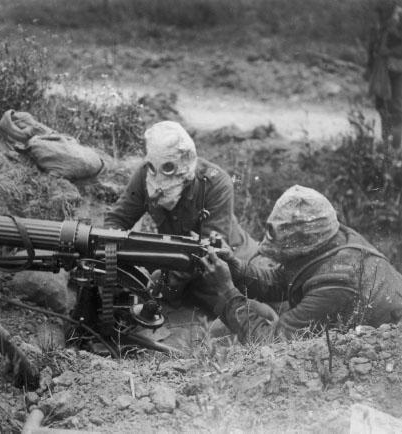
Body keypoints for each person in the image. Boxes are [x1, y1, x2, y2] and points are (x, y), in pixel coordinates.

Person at [200, 185, 402, 344]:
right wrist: (237, 269)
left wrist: (227, 291)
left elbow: (270, 342)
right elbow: (284, 280)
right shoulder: (333, 237)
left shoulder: (336, 281)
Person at [104, 120, 257, 313]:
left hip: (224, 268)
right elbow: (117, 219)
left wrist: (153, 285)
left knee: (235, 317)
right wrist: (116, 264)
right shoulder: (145, 174)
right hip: (178, 269)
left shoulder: (215, 183)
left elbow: (208, 252)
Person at [366, 1, 402, 147]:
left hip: (396, 69)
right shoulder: (380, 21)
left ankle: (395, 147)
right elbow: (372, 45)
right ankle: (388, 145)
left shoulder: (397, 18)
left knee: (396, 108)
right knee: (382, 106)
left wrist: (389, 52)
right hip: (381, 69)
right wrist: (369, 66)